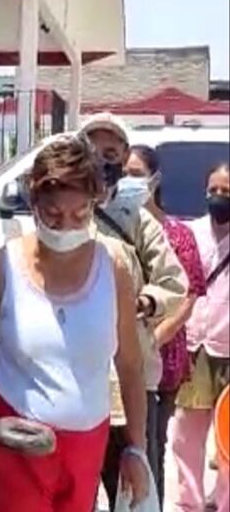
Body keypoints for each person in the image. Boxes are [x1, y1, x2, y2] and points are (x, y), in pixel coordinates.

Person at [0, 135, 149, 512]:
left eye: (80, 214)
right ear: (34, 203)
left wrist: (136, 448)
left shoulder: (112, 269)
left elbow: (131, 366)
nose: (66, 226)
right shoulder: (5, 266)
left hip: (86, 448)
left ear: (95, 205)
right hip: (14, 444)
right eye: (53, 215)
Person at [79, 113, 189, 505]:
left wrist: (142, 302)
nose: (103, 161)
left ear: (124, 157)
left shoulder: (138, 219)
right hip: (81, 383)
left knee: (138, 490)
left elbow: (176, 283)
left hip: (134, 383)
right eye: (93, 151)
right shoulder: (66, 215)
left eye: (111, 153)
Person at [125, 144, 208, 508]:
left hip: (163, 360)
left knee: (151, 448)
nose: (129, 180)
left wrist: (153, 339)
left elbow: (187, 296)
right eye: (123, 171)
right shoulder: (112, 228)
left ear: (154, 179)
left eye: (136, 172)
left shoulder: (178, 234)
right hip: (119, 361)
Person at [171, 162, 230, 512]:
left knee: (228, 440)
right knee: (185, 437)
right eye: (214, 190)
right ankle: (190, 504)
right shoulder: (188, 234)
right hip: (194, 347)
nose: (219, 198)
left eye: (227, 192)